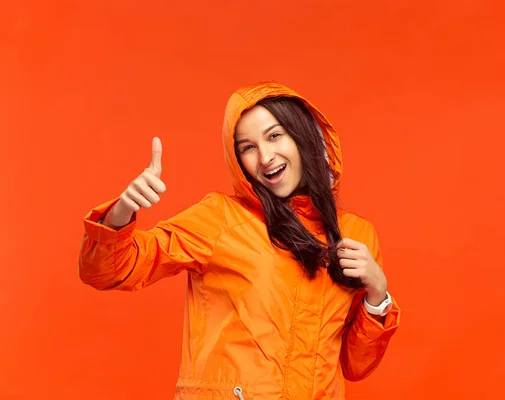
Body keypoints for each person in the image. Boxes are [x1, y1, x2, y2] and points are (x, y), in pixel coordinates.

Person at [79, 82, 401, 399]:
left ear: (303, 136)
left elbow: (355, 365)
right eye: (247, 147)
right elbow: (108, 270)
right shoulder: (220, 219)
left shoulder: (356, 236)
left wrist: (377, 293)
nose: (265, 157)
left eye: (275, 136)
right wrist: (122, 211)